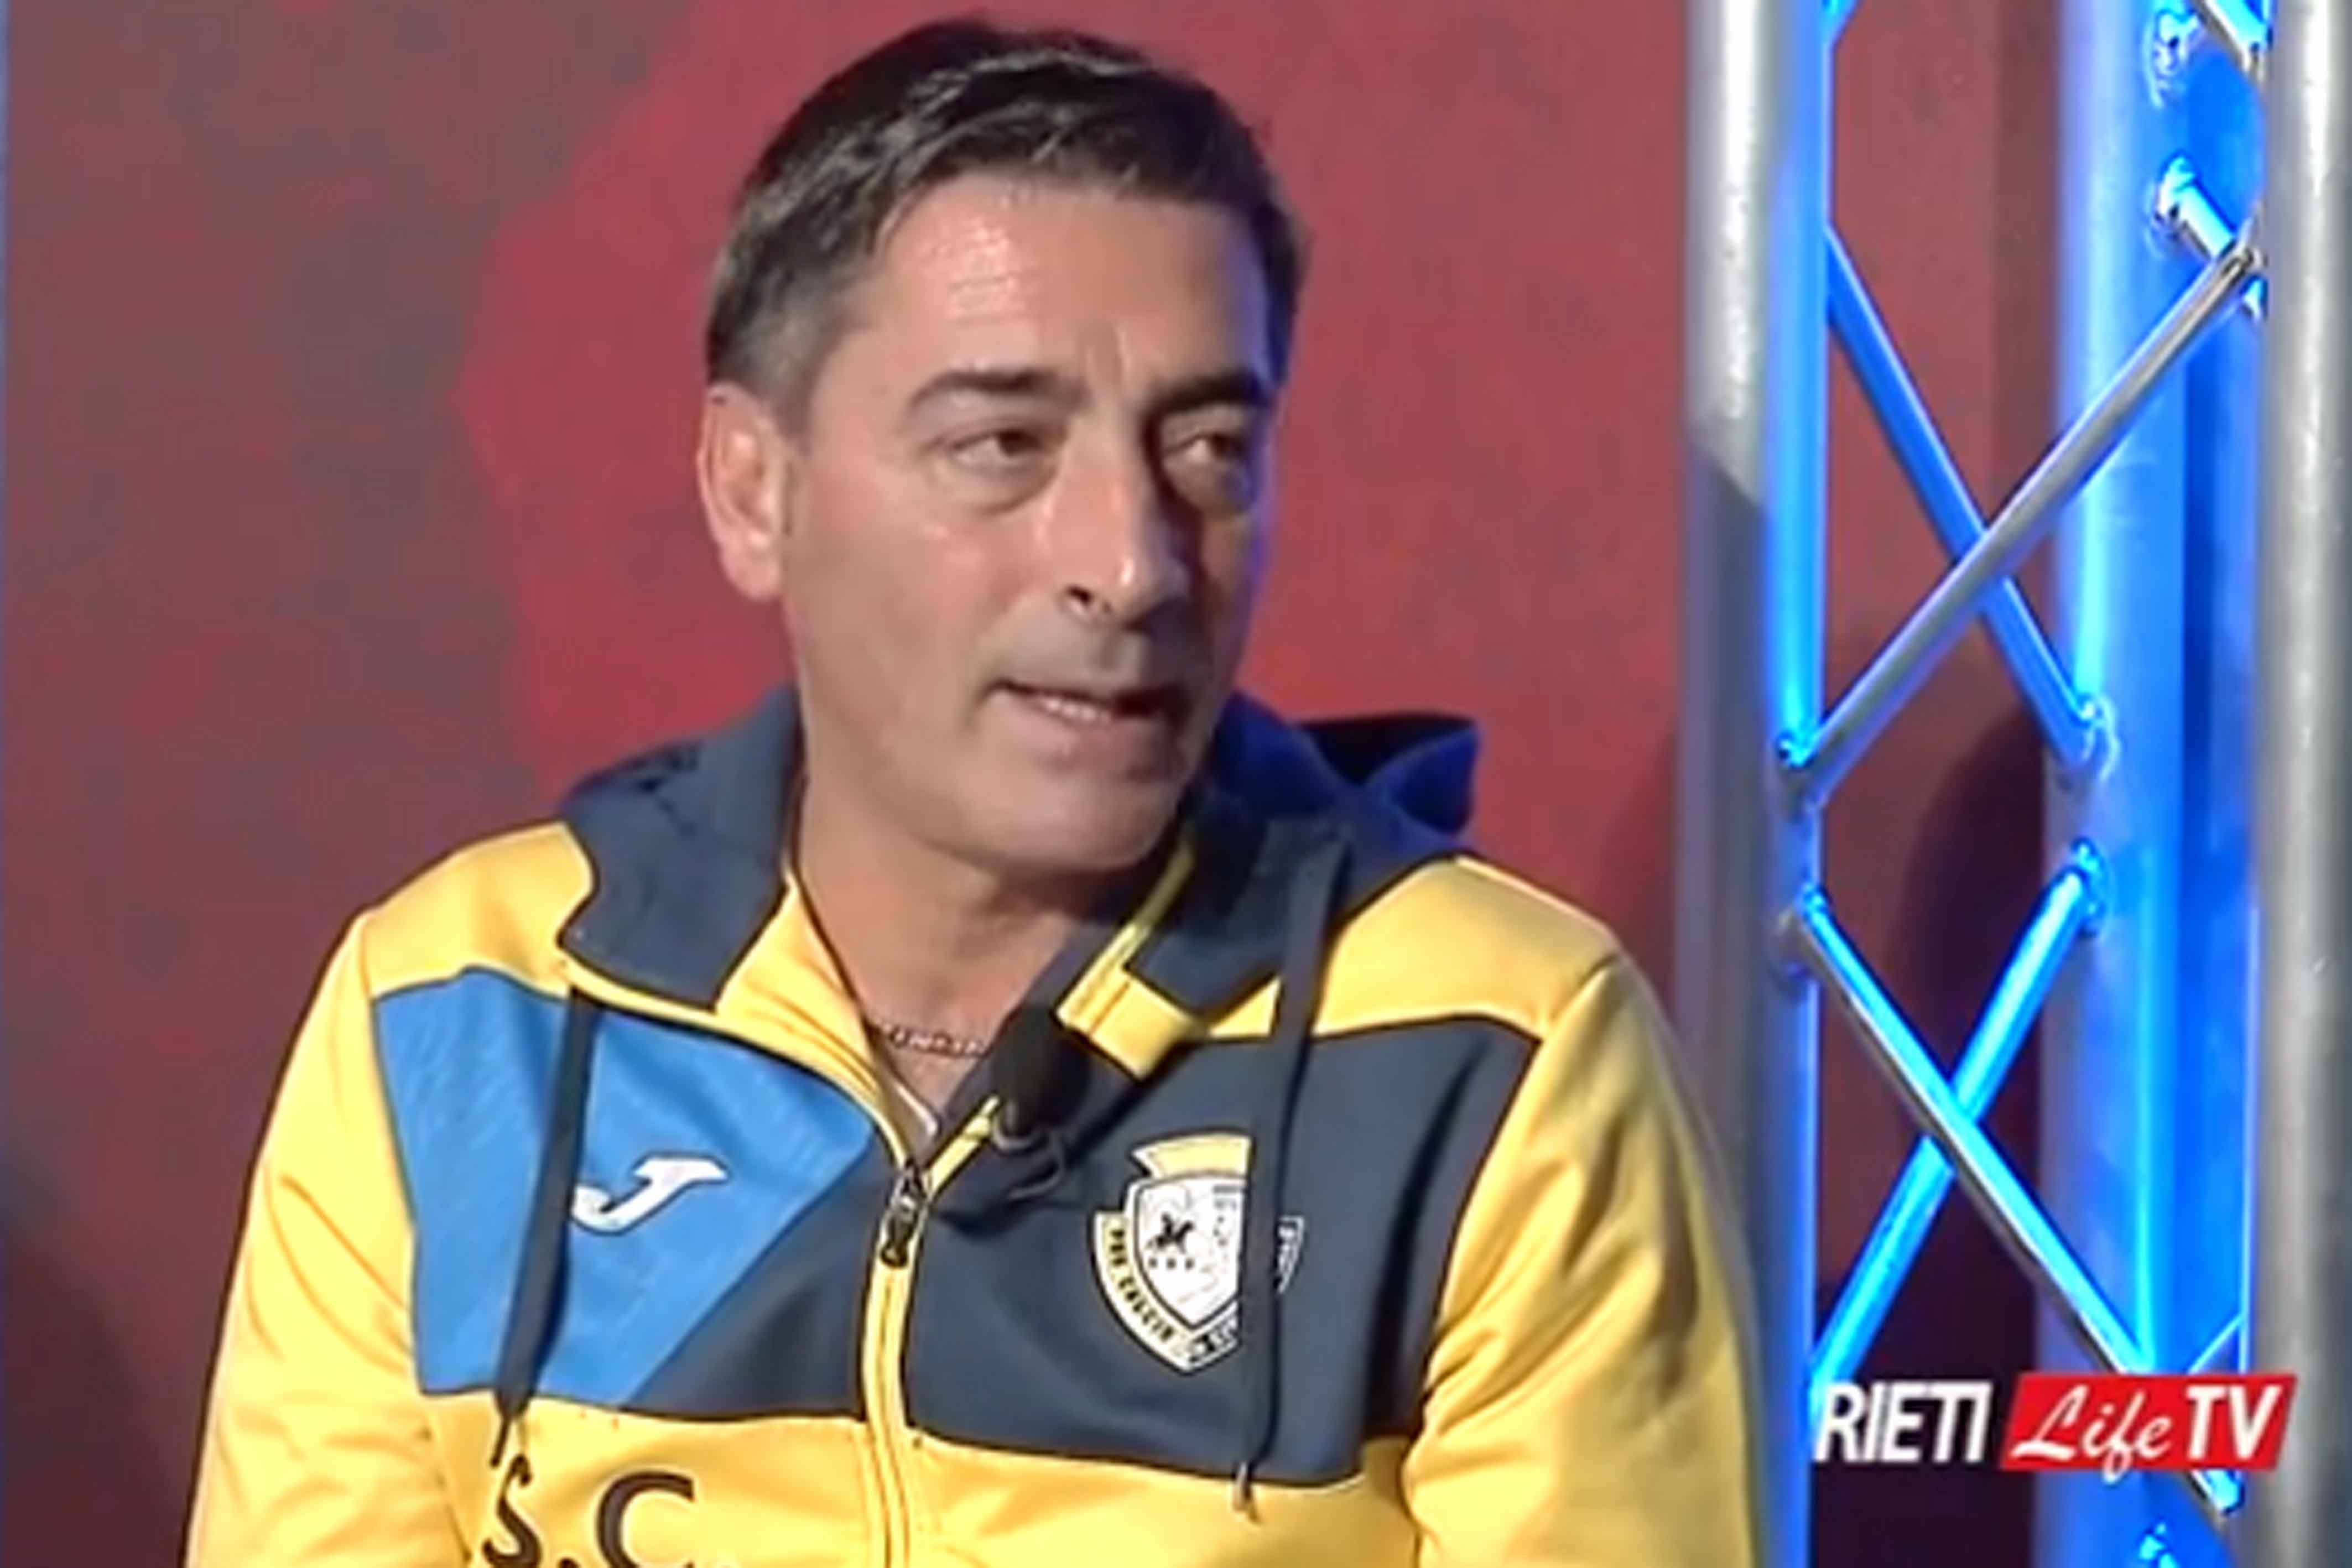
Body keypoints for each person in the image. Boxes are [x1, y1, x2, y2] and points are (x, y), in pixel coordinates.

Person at [185, 18, 1761, 1566]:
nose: (1131, 564)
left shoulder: (1496, 1053)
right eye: (1003, 444)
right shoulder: (462, 1012)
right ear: (752, 488)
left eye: (1209, 450)